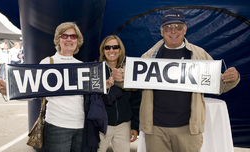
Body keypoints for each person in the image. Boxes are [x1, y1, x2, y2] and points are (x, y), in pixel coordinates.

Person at [139, 8, 240, 152]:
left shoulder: (199, 54)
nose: (173, 31)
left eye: (178, 27)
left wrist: (230, 79)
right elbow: (131, 85)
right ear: (162, 32)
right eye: (168, 27)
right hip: (156, 130)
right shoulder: (148, 57)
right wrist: (120, 78)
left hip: (188, 130)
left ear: (185, 29)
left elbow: (218, 86)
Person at [0, 22, 85, 152]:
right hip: (57, 126)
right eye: (65, 36)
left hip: (81, 126)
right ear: (58, 40)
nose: (69, 39)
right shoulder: (47, 62)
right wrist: (11, 90)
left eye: (73, 36)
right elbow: (31, 91)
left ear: (78, 41)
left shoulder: (82, 66)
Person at [98, 35, 141, 152]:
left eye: (115, 47)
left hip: (124, 125)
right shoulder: (95, 70)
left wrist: (134, 126)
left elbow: (136, 101)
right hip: (101, 126)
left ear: (120, 50)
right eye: (107, 47)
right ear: (103, 50)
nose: (111, 50)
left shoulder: (130, 71)